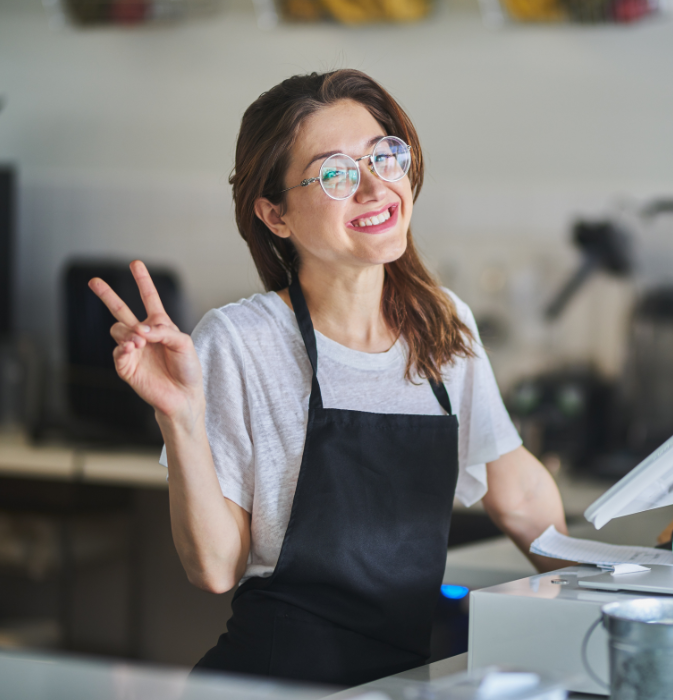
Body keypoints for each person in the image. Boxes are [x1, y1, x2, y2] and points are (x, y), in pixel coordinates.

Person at [88, 69, 569, 686]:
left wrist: (612, 591)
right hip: (271, 683)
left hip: (397, 684)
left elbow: (519, 494)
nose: (374, 187)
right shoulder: (240, 341)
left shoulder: (442, 325)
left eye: (384, 156)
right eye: (336, 173)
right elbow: (213, 567)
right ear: (275, 214)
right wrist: (179, 419)